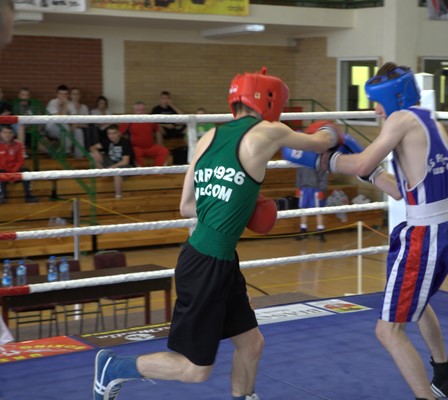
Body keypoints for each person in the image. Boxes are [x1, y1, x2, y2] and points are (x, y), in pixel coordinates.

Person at [93, 67, 341, 400]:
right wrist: (332, 129)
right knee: (194, 369)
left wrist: (234, 203)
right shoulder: (270, 131)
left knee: (251, 344)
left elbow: (186, 206)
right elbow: (321, 143)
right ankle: (115, 367)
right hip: (206, 265)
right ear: (270, 101)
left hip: (215, 260)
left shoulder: (208, 136)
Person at [292, 63, 448, 400]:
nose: (375, 110)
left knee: (387, 330)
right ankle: (444, 376)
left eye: (377, 101)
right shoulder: (432, 122)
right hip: (442, 226)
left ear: (393, 96)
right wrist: (365, 169)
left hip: (424, 234)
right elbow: (399, 190)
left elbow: (360, 164)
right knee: (418, 303)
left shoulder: (400, 120)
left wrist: (323, 161)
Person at [294, 122, 331, 243]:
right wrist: (298, 187)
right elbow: (299, 172)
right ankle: (303, 231)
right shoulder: (303, 155)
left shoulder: (320, 156)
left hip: (316, 188)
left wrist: (322, 189)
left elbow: (324, 174)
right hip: (304, 188)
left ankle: (320, 232)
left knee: (318, 210)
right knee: (303, 210)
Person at [89, 124, 134, 199]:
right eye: (109, 133)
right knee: (93, 155)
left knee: (117, 171)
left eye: (114, 133)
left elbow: (125, 161)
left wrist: (111, 168)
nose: (111, 136)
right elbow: (92, 147)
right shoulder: (107, 141)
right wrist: (95, 151)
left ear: (119, 133)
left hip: (125, 166)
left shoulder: (125, 142)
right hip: (111, 162)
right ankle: (103, 174)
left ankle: (118, 195)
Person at [120, 101, 169, 167]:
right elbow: (121, 134)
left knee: (163, 151)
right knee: (135, 152)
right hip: (136, 148)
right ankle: (141, 169)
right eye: (138, 110)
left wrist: (160, 144)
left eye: (143, 110)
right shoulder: (128, 121)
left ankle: (156, 170)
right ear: (134, 111)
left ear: (146, 110)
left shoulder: (150, 119)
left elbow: (157, 131)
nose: (141, 112)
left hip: (150, 147)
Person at [0, 125, 39, 204]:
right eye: (5, 133)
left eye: (10, 133)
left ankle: (28, 196)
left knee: (26, 171)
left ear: (13, 134)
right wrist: (8, 174)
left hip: (15, 171)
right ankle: (1, 196)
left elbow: (21, 160)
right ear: (0, 133)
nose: (7, 135)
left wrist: (13, 173)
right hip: (3, 171)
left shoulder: (18, 145)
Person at [45, 84, 85, 158]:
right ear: (57, 94)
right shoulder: (52, 103)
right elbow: (60, 119)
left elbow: (76, 119)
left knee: (79, 131)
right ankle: (66, 151)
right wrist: (65, 105)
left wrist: (72, 128)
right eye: (61, 94)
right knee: (64, 125)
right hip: (52, 128)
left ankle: (79, 157)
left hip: (66, 129)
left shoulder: (71, 104)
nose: (63, 96)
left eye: (65, 94)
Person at [11, 87, 46, 156]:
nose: (24, 97)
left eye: (26, 95)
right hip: (21, 133)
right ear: (19, 95)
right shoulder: (15, 106)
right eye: (23, 95)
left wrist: (39, 128)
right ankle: (21, 151)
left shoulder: (34, 106)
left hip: (34, 132)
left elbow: (40, 120)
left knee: (45, 147)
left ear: (29, 96)